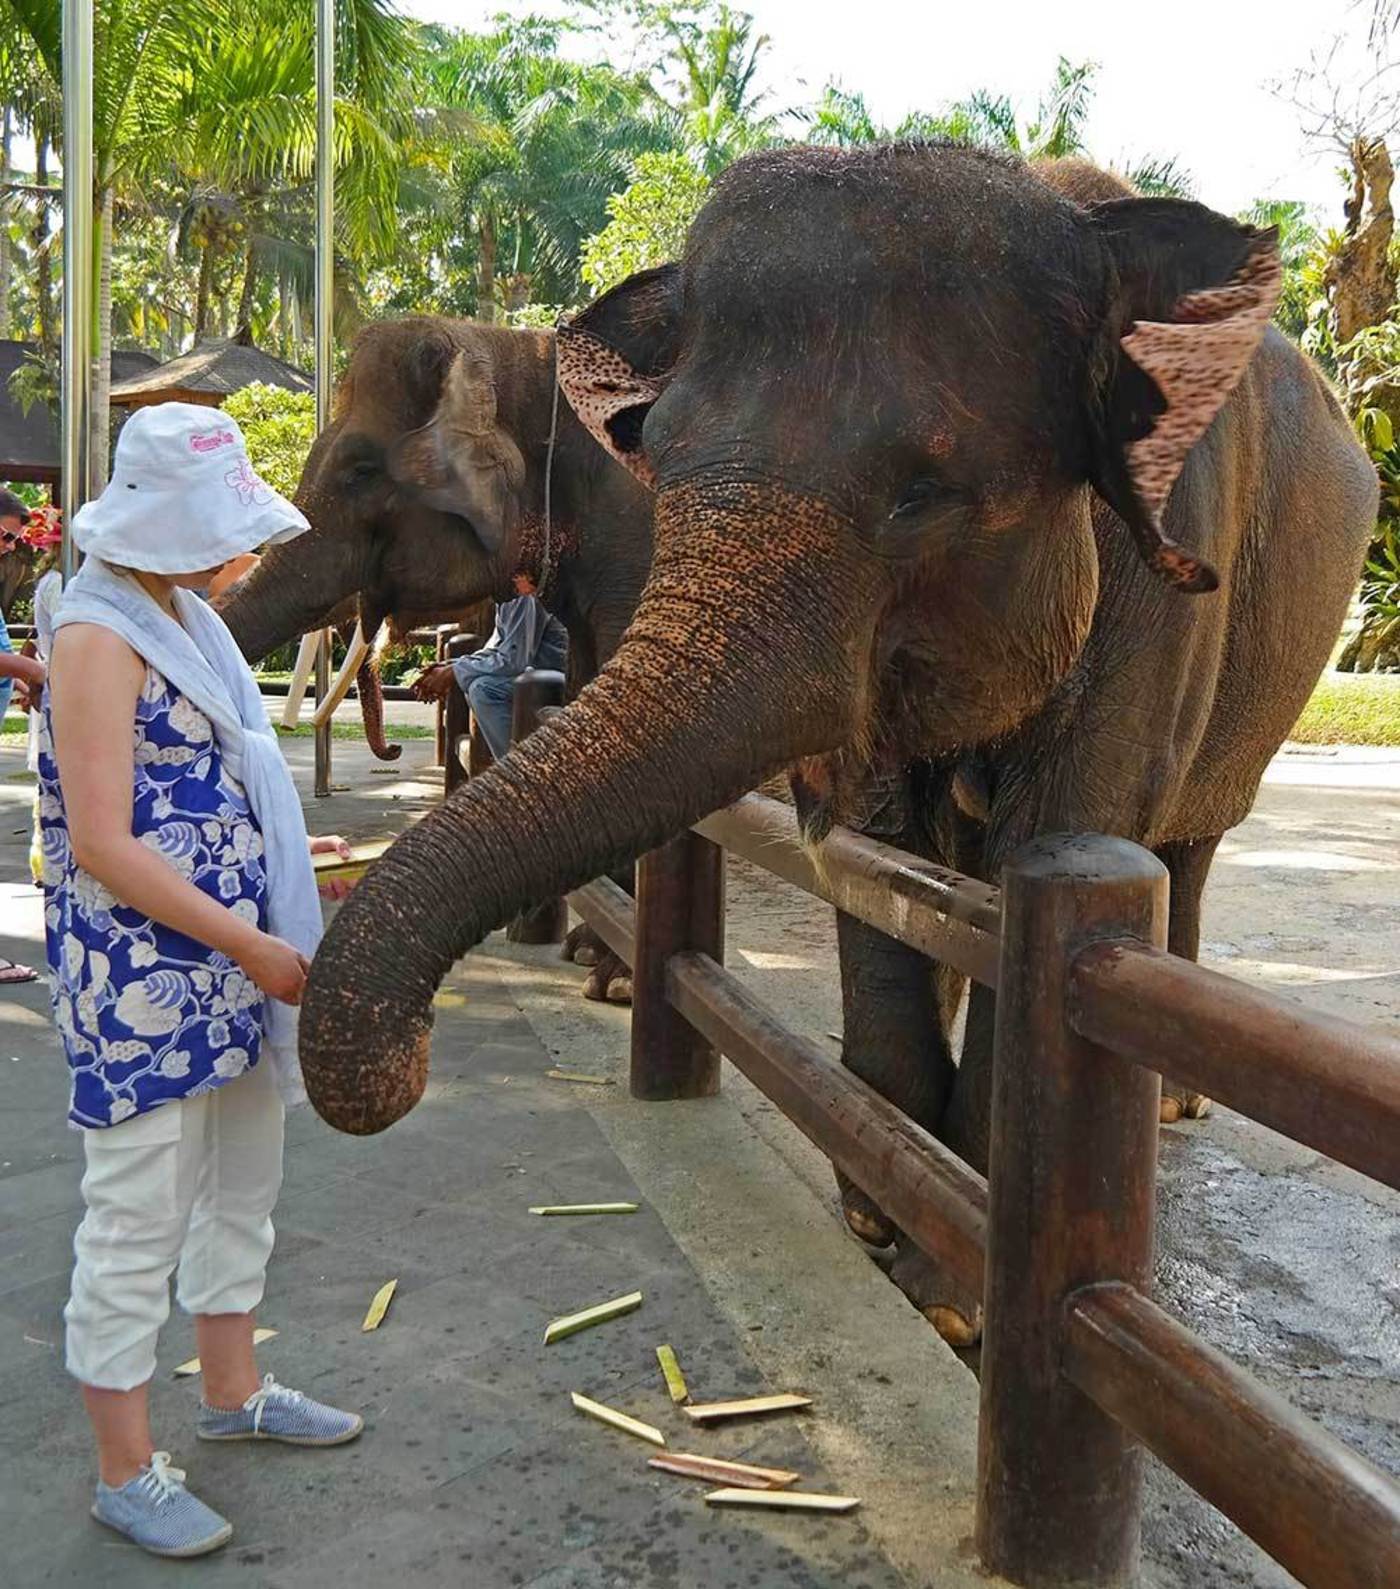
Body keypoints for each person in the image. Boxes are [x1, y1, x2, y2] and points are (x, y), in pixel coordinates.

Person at [39, 402, 363, 1559]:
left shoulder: (182, 616)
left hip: (228, 956)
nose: (240, 557)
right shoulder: (96, 635)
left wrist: (282, 859)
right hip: (148, 979)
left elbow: (207, 783)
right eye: (223, 534)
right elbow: (104, 844)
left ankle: (233, 1391)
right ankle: (125, 1467)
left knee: (240, 1180)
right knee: (136, 1213)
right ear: (163, 527)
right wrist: (249, 939)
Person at [411, 567, 568, 758]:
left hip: (558, 680)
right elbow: (497, 650)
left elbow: (513, 659)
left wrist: (455, 671)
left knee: (484, 689)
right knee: (474, 681)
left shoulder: (523, 590)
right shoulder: (505, 595)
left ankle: (517, 772)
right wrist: (450, 668)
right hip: (532, 676)